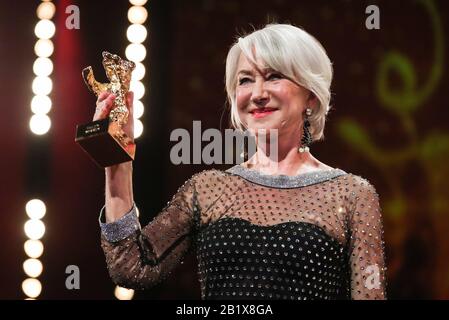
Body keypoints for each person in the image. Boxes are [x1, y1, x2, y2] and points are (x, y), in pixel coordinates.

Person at [95, 23, 387, 300]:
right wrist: (117, 159)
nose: (258, 94)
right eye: (245, 80)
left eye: (274, 76)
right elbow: (131, 267)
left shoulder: (351, 195)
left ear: (311, 95)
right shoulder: (208, 189)